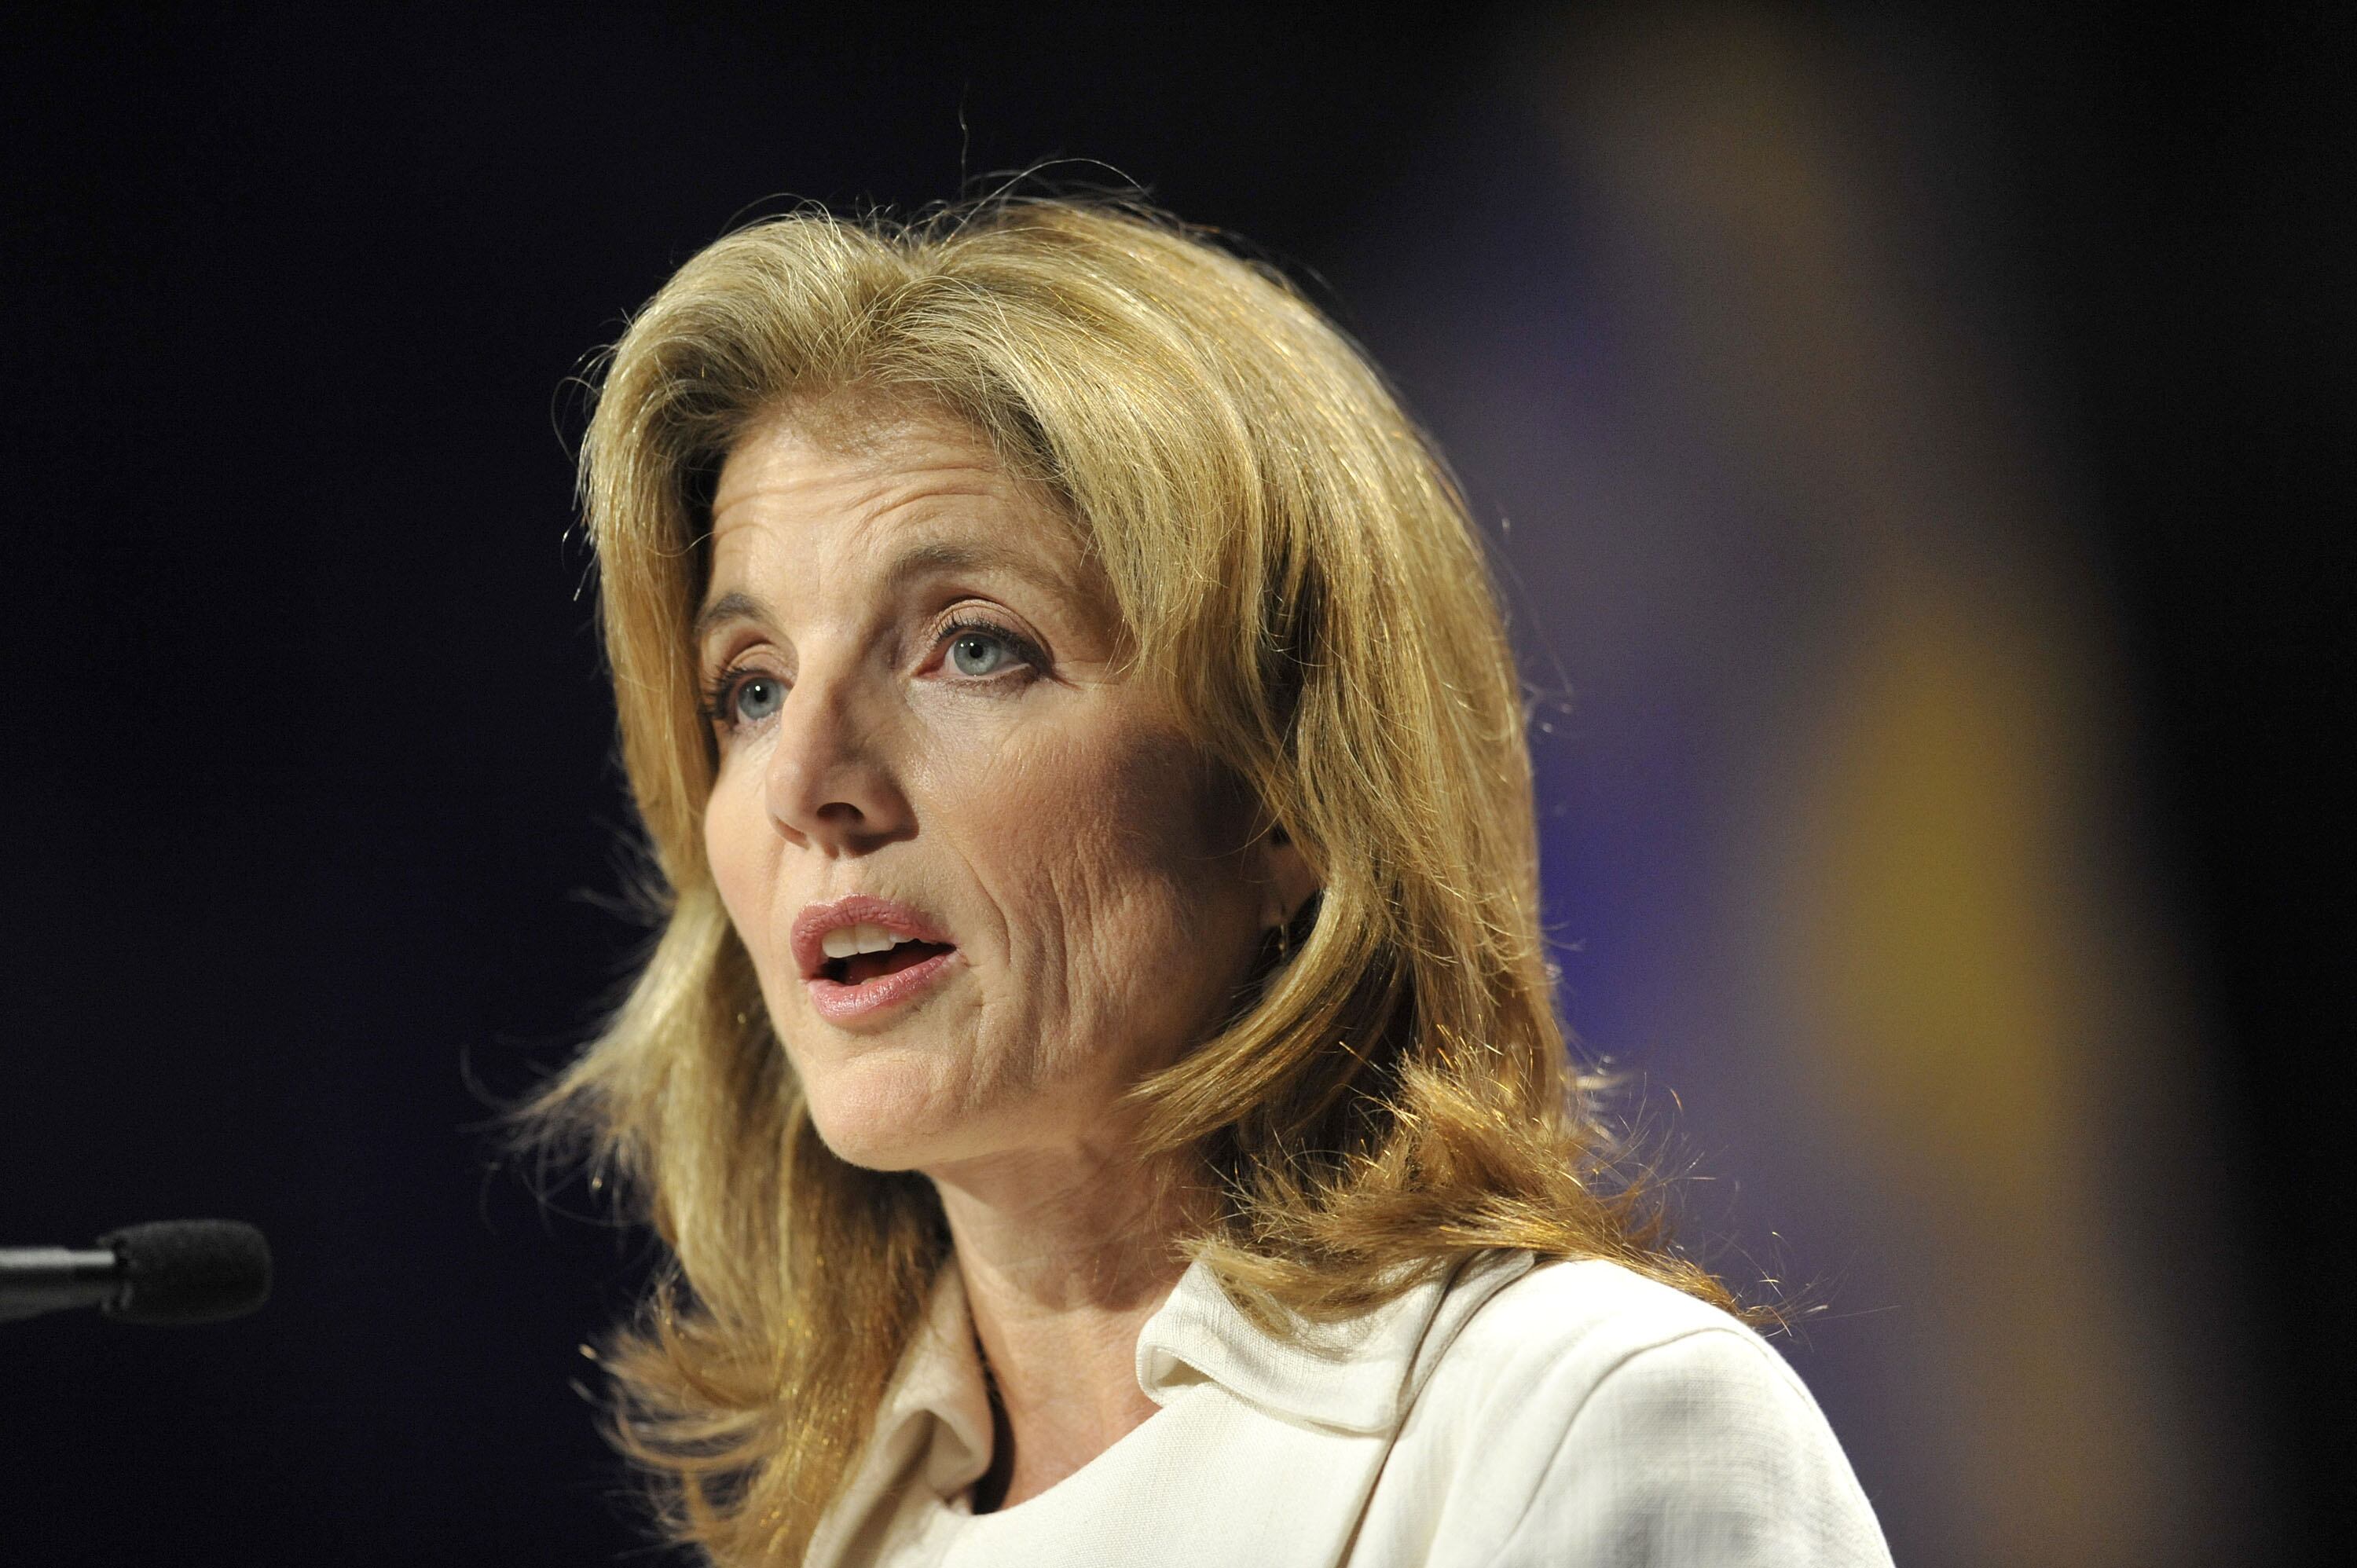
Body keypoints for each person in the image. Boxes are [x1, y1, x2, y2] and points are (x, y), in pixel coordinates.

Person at [527, 195, 1893, 1567]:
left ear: (1289, 795)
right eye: (751, 687)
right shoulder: (844, 1537)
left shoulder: (1581, 1427)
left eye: (973, 647)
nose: (803, 779)